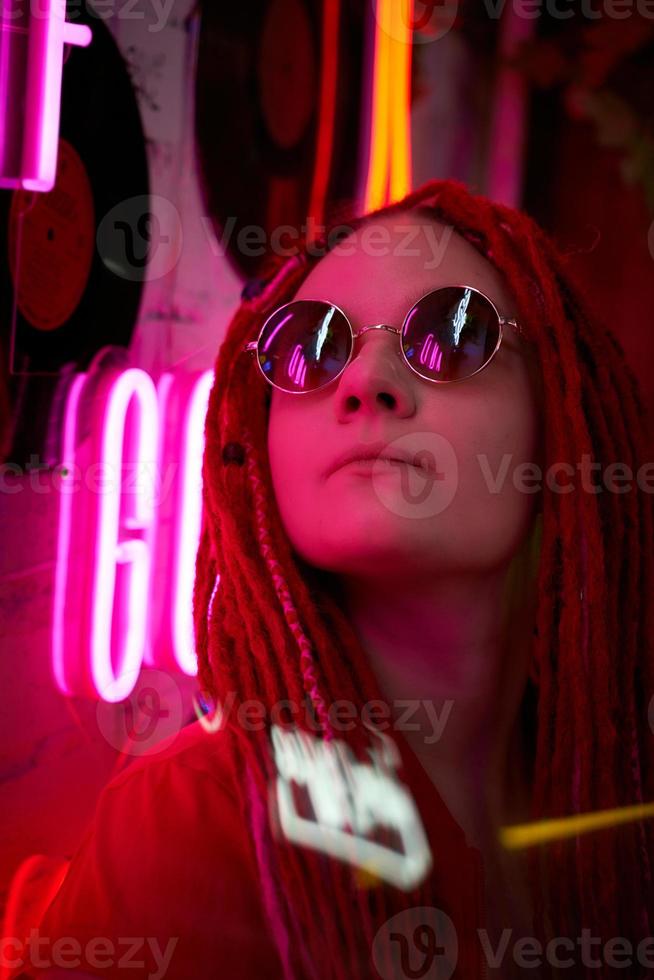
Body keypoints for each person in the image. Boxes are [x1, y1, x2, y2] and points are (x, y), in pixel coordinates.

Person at [32, 178, 654, 979]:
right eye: (310, 348)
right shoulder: (193, 821)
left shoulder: (619, 803)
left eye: (450, 335)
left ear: (561, 418)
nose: (362, 383)